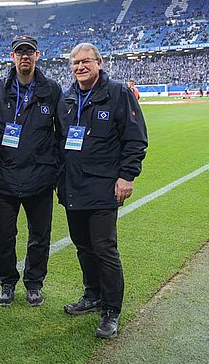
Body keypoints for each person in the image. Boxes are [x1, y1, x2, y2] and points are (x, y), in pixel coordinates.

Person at [57, 43, 148, 339]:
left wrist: (127, 176)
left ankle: (111, 310)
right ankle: (92, 294)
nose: (80, 67)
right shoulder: (68, 97)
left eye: (86, 62)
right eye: (75, 63)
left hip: (103, 187)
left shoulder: (118, 93)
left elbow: (135, 139)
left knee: (104, 249)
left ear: (99, 62)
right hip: (73, 186)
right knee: (83, 246)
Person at [0, 35, 62, 307]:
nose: (25, 57)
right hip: (6, 178)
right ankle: (7, 282)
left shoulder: (51, 90)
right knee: (4, 236)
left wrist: (53, 169)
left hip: (40, 179)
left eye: (29, 52)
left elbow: (62, 133)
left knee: (40, 235)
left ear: (37, 56)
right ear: (12, 57)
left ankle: (34, 283)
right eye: (20, 52)